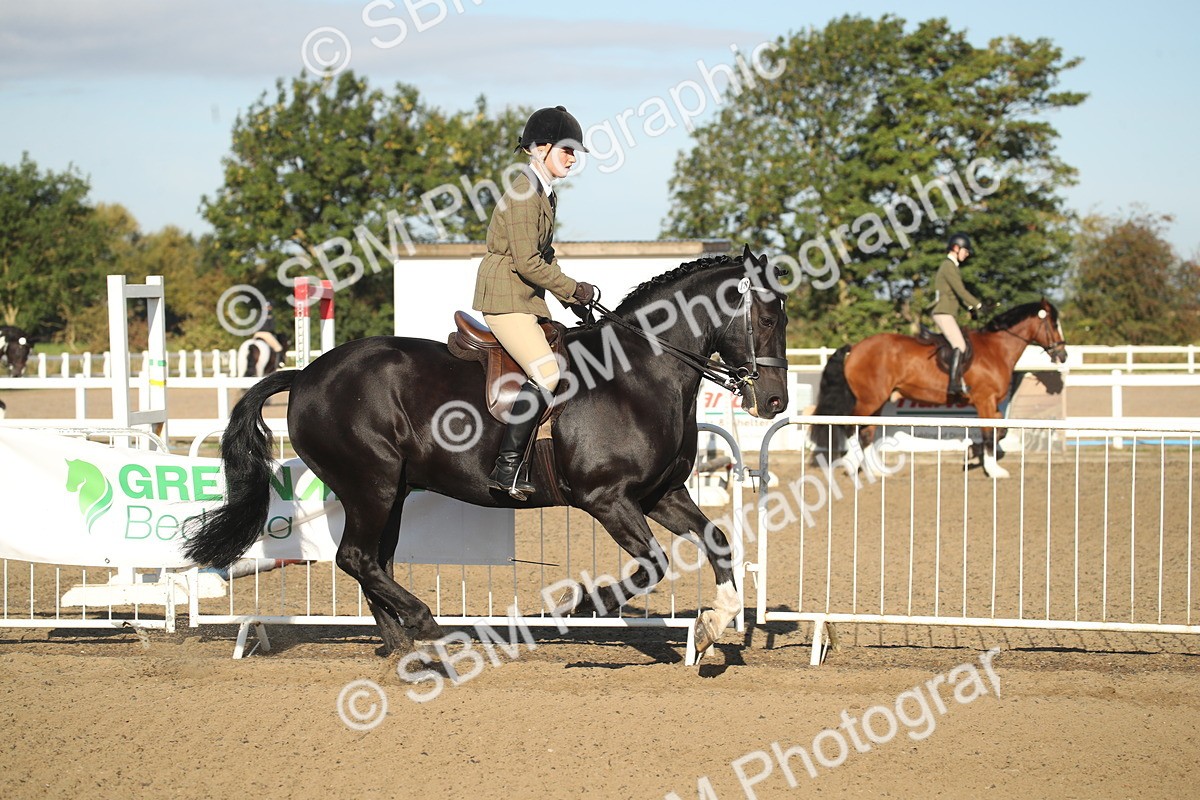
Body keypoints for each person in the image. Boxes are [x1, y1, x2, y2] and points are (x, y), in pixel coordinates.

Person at [472, 105, 597, 497]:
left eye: (575, 152)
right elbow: (527, 261)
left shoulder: (545, 193)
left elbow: (545, 255)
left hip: (525, 295)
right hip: (506, 297)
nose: (572, 159)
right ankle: (506, 468)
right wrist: (571, 288)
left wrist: (571, 296)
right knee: (547, 374)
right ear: (540, 148)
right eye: (566, 150)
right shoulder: (526, 193)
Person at [930, 232, 983, 397]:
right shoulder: (948, 266)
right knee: (960, 345)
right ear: (955, 248)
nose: (967, 254)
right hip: (943, 312)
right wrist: (978, 304)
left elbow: (955, 294)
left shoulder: (951, 266)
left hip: (947, 311)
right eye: (965, 251)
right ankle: (953, 383)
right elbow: (960, 290)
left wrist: (970, 309)